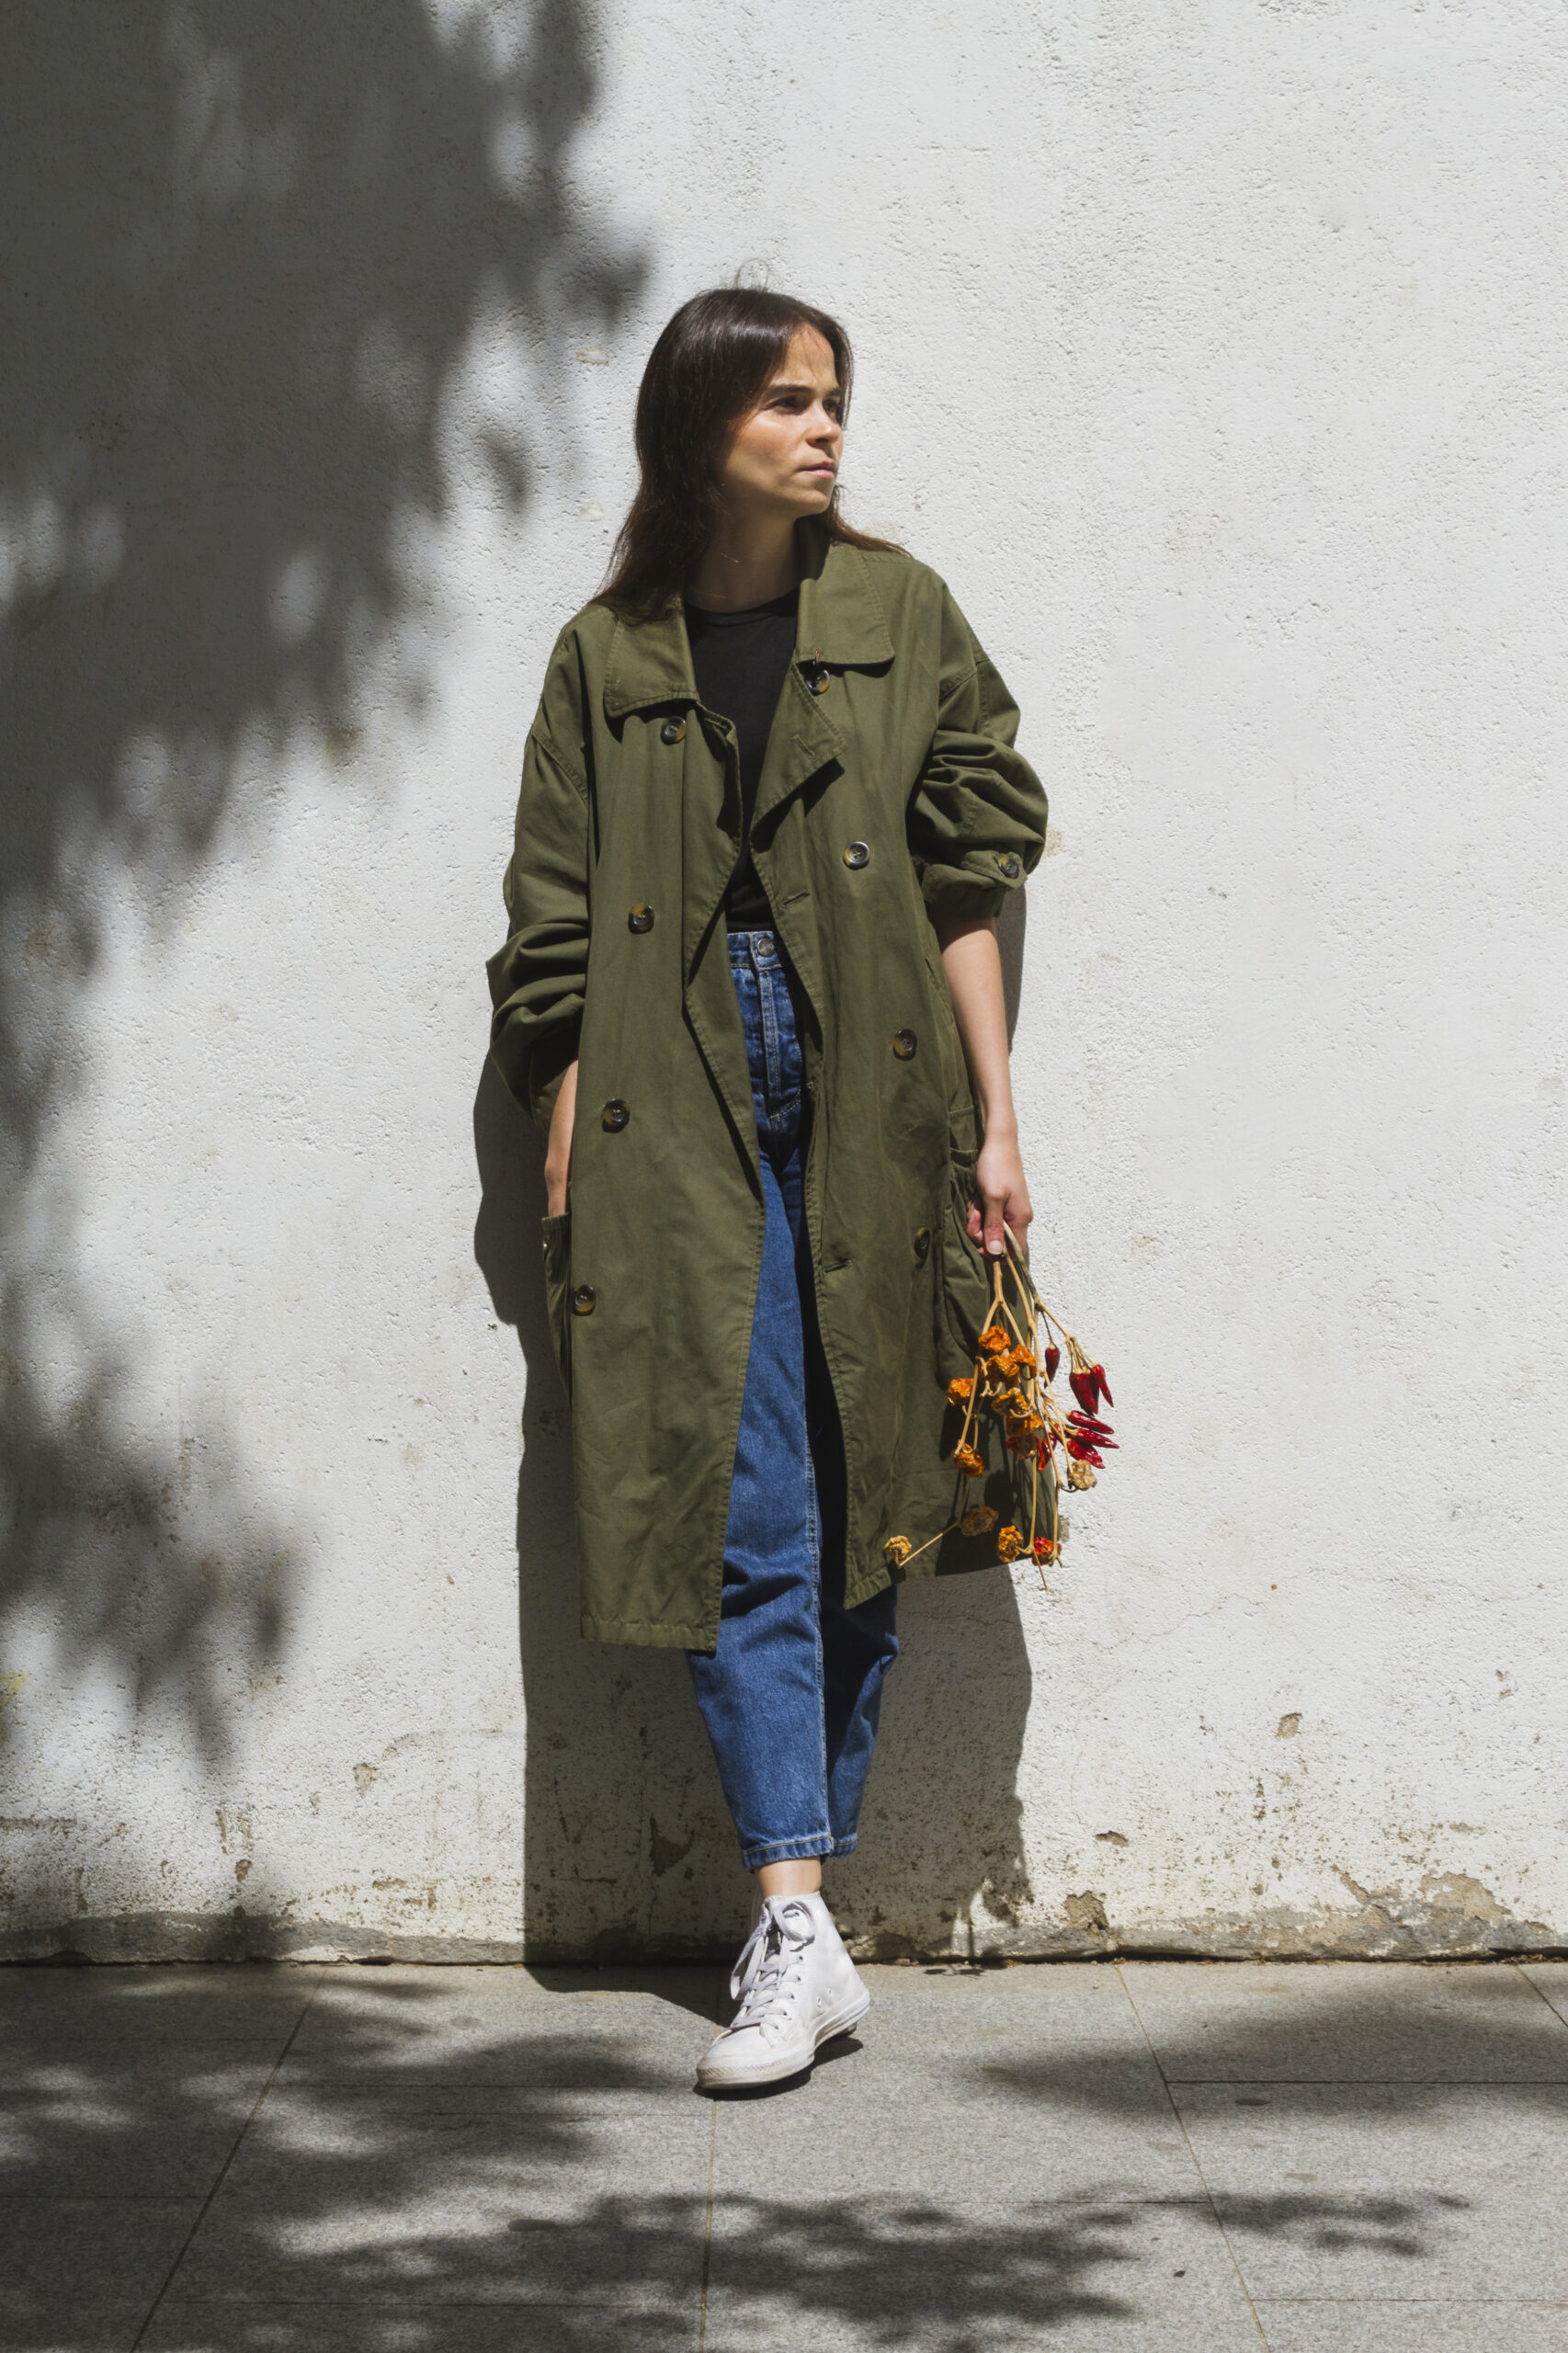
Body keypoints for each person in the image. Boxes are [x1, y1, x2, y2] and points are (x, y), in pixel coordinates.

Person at [488, 286, 1048, 2091]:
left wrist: (998, 1116)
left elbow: (971, 866)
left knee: (882, 1477)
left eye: (833, 399)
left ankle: (798, 1912)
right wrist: (565, 1096)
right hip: (679, 1095)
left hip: (876, 1080)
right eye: (786, 401)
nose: (822, 428)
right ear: (700, 422)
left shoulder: (897, 615)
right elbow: (553, 920)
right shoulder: (608, 650)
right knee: (746, 1506)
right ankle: (794, 1906)